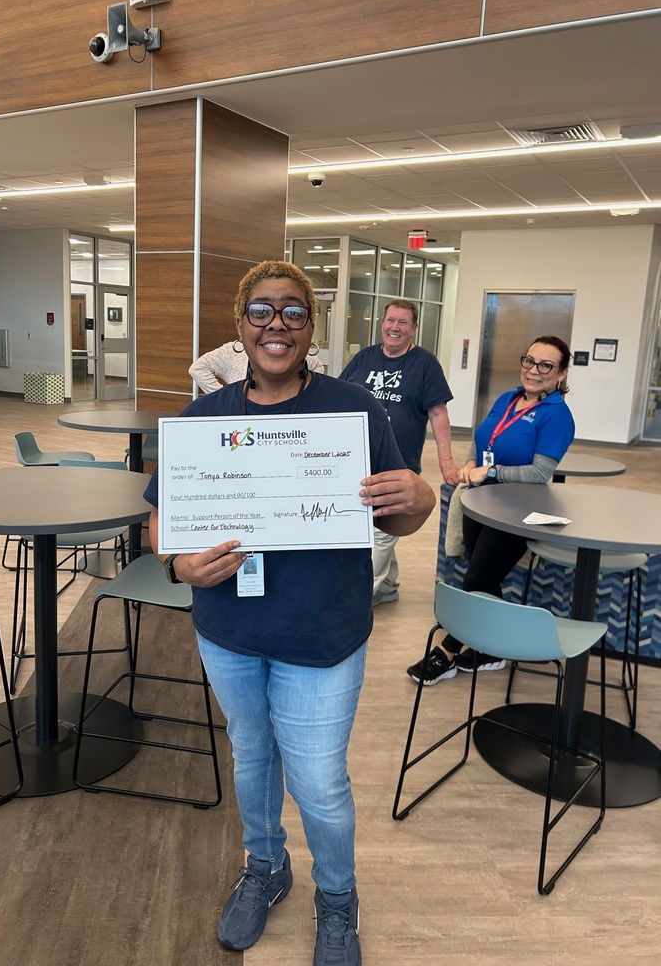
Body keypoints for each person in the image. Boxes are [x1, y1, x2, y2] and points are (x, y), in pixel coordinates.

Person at [144, 260, 435, 966]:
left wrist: (420, 501)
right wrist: (178, 565)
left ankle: (337, 896)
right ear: (240, 325)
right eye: (263, 311)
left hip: (322, 632)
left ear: (311, 325)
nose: (277, 325)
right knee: (251, 758)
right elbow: (162, 518)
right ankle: (266, 866)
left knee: (318, 782)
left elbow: (394, 517)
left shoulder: (353, 411)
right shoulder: (204, 418)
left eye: (294, 312)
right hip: (230, 629)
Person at [407, 335, 576, 686]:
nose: (534, 370)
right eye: (529, 361)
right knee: (484, 577)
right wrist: (472, 462)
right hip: (480, 504)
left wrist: (491, 472)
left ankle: (448, 651)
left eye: (546, 365)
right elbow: (484, 439)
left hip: (517, 512)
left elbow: (540, 473)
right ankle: (493, 649)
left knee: (477, 580)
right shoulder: (507, 399)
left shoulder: (557, 415)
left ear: (561, 373)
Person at [340, 300, 458, 606]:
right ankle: (389, 586)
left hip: (397, 465)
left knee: (380, 533)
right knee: (377, 526)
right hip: (358, 463)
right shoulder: (364, 358)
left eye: (403, 322)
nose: (395, 328)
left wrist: (446, 462)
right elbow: (340, 398)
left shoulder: (425, 363)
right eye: (390, 320)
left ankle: (357, 597)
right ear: (382, 323)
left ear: (414, 328)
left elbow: (438, 413)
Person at [189, 337, 325, 393]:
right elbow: (198, 369)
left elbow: (317, 368)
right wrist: (224, 398)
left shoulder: (292, 350)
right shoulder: (232, 351)